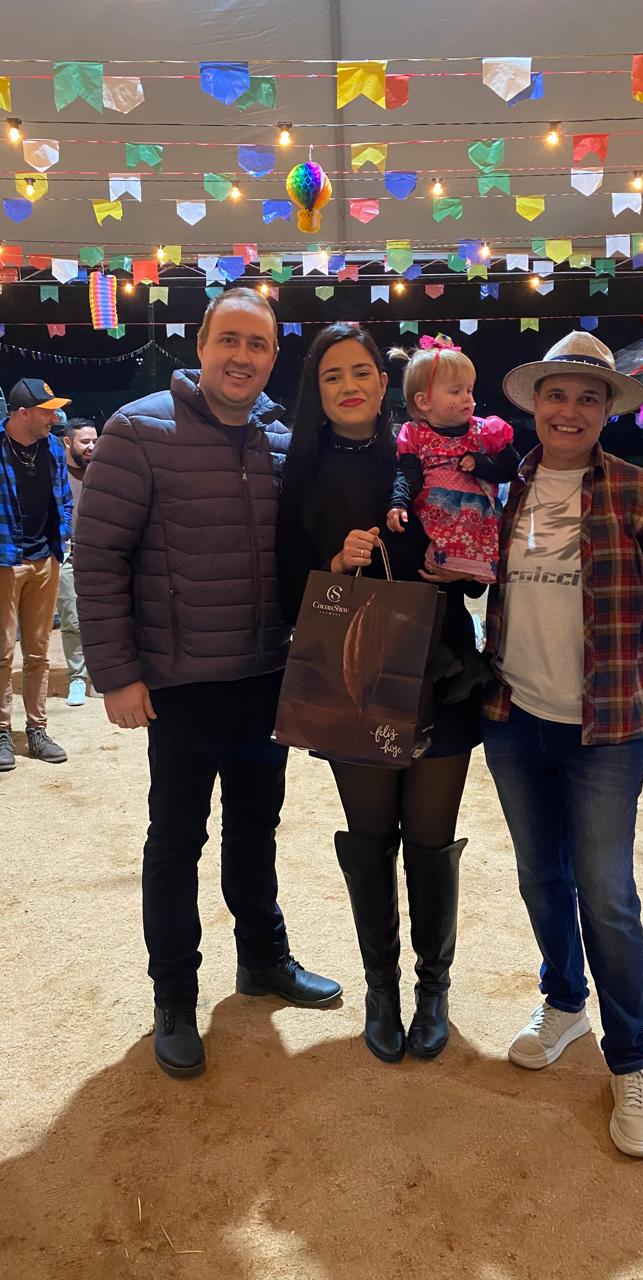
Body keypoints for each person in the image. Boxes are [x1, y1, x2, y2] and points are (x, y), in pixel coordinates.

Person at [74, 288, 341, 1080]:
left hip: (264, 677)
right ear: (201, 344)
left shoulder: (281, 439)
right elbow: (98, 559)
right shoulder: (138, 429)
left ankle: (262, 957)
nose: (242, 357)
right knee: (176, 840)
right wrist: (118, 674)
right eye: (230, 340)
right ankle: (174, 996)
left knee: (256, 829)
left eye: (258, 345)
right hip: (181, 683)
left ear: (273, 358)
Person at [481, 331, 643, 1158]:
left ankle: (631, 1058)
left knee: (607, 894)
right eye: (556, 395)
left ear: (607, 410)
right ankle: (565, 1002)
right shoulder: (505, 489)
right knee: (542, 877)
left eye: (587, 397)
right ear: (535, 404)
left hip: (606, 726)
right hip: (514, 716)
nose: (569, 410)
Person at [277, 323, 483, 1065]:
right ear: (316, 389)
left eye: (360, 371)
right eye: (332, 375)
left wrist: (459, 566)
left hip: (443, 668)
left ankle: (433, 988)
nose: (349, 386)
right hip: (355, 671)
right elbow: (286, 589)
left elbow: (479, 540)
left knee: (430, 837)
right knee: (370, 838)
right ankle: (382, 988)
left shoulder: (423, 447)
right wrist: (337, 563)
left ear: (384, 380)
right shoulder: (301, 466)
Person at [386, 334, 518, 702]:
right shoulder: (414, 434)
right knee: (433, 595)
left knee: (451, 594)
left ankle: (460, 662)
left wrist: (483, 464)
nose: (468, 399)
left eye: (470, 390)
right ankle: (455, 663)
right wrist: (398, 503)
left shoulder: (483, 431)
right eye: (457, 391)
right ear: (423, 402)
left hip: (473, 526)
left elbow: (511, 466)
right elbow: (407, 475)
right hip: (434, 525)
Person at [0, 378, 72, 771]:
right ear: (22, 413)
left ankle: (37, 729)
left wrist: (64, 534)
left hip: (46, 559)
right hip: (5, 559)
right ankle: (1, 732)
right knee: (2, 653)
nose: (55, 418)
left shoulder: (54, 449)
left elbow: (64, 497)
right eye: (47, 411)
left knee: (39, 652)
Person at [57, 418, 97, 707]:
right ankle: (78, 678)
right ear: (68, 442)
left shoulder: (104, 471)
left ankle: (101, 677)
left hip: (101, 556)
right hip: (68, 555)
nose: (92, 446)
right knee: (72, 621)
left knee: (105, 619)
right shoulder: (55, 472)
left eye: (95, 440)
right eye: (85, 442)